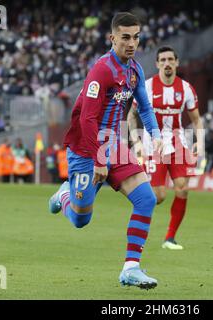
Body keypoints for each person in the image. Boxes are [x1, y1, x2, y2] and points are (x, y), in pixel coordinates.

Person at [48, 12, 162, 289]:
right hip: (86, 149)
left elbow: (144, 107)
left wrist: (156, 134)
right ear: (112, 38)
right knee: (80, 219)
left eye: (136, 37)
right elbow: (87, 118)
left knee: (146, 199)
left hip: (115, 145)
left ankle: (130, 268)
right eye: (125, 37)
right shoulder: (101, 70)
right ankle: (64, 195)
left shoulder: (135, 70)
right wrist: (99, 157)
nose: (131, 43)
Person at [127, 46, 203, 250]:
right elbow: (131, 116)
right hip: (154, 143)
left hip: (178, 142)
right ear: (157, 64)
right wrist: (137, 142)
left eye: (171, 59)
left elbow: (196, 120)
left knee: (183, 188)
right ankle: (138, 218)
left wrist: (200, 141)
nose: (167, 63)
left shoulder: (186, 88)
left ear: (177, 62)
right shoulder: (148, 87)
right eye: (163, 60)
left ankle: (170, 238)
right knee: (158, 197)